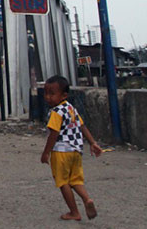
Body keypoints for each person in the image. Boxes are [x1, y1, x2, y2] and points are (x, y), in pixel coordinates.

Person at [40, 75, 103, 221]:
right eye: (46, 93)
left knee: (63, 182)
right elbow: (82, 126)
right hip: (76, 151)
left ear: (64, 95)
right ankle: (87, 199)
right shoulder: (70, 108)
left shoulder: (56, 112)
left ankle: (74, 212)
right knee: (75, 180)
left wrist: (46, 153)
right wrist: (93, 142)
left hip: (61, 151)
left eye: (52, 93)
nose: (48, 97)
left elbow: (53, 135)